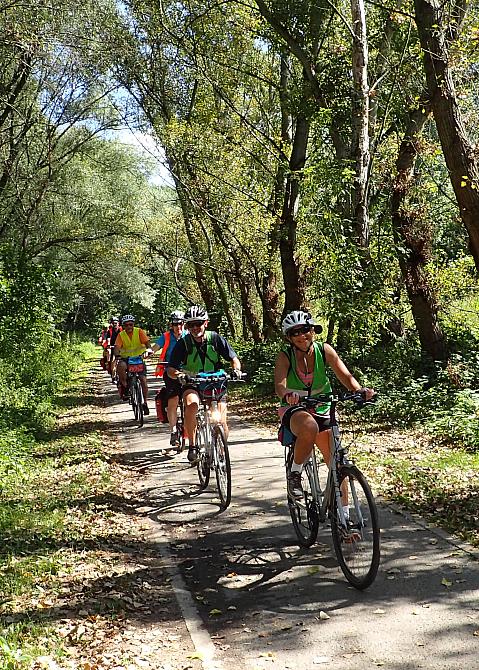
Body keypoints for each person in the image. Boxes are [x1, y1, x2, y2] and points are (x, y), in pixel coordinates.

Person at [274, 310, 375, 503]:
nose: (301, 336)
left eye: (304, 330)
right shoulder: (285, 356)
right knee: (309, 427)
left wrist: (360, 390)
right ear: (289, 337)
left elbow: (345, 376)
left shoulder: (324, 350)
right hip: (294, 407)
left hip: (322, 405)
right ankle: (295, 474)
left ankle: (345, 522)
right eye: (294, 332)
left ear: (312, 330)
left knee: (337, 464)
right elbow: (280, 385)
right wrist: (287, 394)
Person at [167, 305, 242, 463]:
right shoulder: (183, 343)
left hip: (215, 382)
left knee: (222, 421)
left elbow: (234, 358)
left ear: (205, 323)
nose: (195, 328)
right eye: (191, 324)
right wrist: (180, 375)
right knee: (191, 405)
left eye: (198, 323)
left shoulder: (215, 338)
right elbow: (170, 369)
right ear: (187, 326)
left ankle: (221, 448)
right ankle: (193, 445)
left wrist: (236, 370)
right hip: (192, 382)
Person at [151, 310, 186, 445]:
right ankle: (173, 431)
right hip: (170, 371)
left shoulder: (188, 335)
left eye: (181, 324)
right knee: (173, 400)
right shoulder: (166, 336)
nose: (179, 327)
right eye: (176, 324)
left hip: (187, 371)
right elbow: (156, 347)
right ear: (171, 325)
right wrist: (149, 352)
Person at [114, 314, 153, 414]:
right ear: (123, 326)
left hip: (139, 359)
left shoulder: (139, 331)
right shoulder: (121, 335)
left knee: (143, 381)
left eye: (130, 324)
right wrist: (117, 354)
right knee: (120, 366)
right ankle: (125, 386)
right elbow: (117, 347)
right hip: (126, 359)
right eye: (126, 325)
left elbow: (147, 343)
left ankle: (145, 402)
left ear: (133, 324)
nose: (129, 327)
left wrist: (148, 349)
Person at [106, 317, 122, 382]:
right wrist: (109, 344)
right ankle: (113, 376)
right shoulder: (110, 331)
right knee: (113, 361)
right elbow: (108, 338)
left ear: (118, 323)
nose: (114, 324)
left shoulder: (121, 330)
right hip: (113, 347)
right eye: (113, 323)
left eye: (116, 323)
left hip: (121, 347)